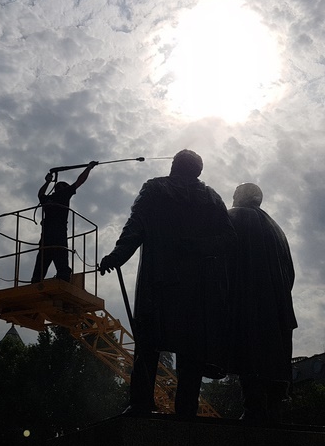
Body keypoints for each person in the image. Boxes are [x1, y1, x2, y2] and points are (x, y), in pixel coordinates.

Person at [98, 149, 236, 418]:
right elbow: (229, 240)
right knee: (191, 352)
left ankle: (140, 404)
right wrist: (199, 247)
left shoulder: (155, 188)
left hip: (159, 281)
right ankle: (186, 411)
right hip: (197, 288)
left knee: (148, 346)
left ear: (174, 166)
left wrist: (117, 256)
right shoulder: (212, 198)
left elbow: (135, 226)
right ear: (198, 171)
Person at [226, 182, 297, 424]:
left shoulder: (234, 216)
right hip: (280, 307)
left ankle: (253, 410)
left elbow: (220, 255)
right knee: (276, 363)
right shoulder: (278, 229)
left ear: (242, 197)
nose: (233, 198)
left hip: (250, 301)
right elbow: (290, 272)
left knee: (250, 357)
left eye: (235, 194)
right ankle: (275, 412)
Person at [31, 161, 98, 283]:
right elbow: (79, 181)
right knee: (58, 263)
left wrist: (47, 182)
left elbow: (40, 194)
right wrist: (89, 168)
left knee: (43, 264)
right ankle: (60, 278)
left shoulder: (51, 198)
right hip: (56, 235)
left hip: (48, 235)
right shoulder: (62, 195)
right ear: (63, 187)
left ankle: (38, 281)